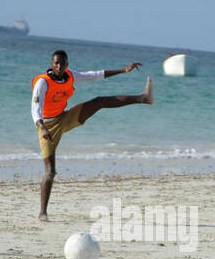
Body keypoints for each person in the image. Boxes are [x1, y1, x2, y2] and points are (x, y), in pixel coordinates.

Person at [32, 50, 150, 221]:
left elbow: (95, 75)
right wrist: (42, 128)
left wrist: (124, 70)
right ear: (51, 64)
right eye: (56, 63)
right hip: (47, 127)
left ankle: (143, 98)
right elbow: (35, 109)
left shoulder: (70, 75)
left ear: (67, 65)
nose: (59, 66)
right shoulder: (43, 83)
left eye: (63, 63)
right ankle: (43, 213)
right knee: (50, 172)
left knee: (99, 102)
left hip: (65, 118)